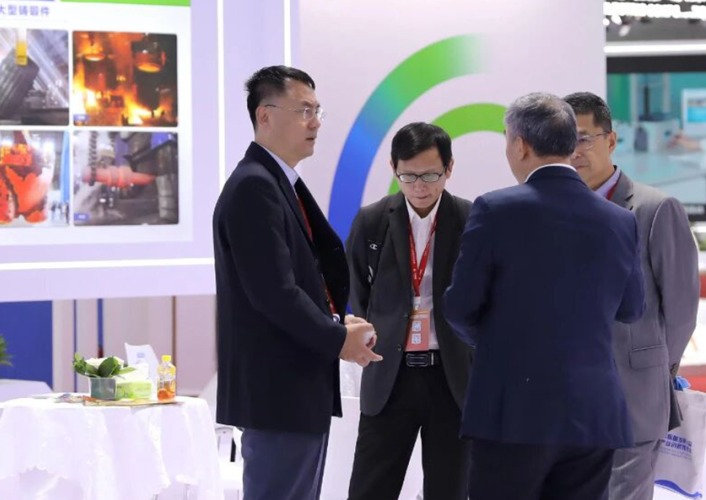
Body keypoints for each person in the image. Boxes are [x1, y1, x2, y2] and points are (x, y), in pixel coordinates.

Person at [444, 92, 645, 500]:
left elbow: (461, 308)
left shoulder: (495, 210)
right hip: (594, 413)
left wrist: (498, 342)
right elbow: (631, 308)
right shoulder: (619, 220)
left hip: (513, 412)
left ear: (520, 145)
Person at [214, 65, 381, 500]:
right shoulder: (254, 187)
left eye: (317, 111)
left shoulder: (275, 182)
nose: (315, 123)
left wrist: (335, 322)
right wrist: (338, 338)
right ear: (265, 115)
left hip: (293, 388)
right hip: (279, 392)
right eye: (304, 111)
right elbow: (274, 293)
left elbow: (295, 283)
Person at [564, 91, 699, 500]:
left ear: (611, 139)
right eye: (565, 140)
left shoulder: (655, 208)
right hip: (568, 400)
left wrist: (656, 368)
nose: (575, 150)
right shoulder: (554, 211)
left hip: (633, 393)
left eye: (583, 138)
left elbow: (680, 309)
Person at [345, 122, 473, 500]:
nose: (420, 186)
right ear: (393, 168)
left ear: (449, 168)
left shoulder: (470, 219)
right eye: (409, 176)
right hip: (391, 376)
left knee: (449, 490)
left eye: (430, 175)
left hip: (451, 378)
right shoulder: (372, 220)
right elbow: (358, 292)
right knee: (369, 489)